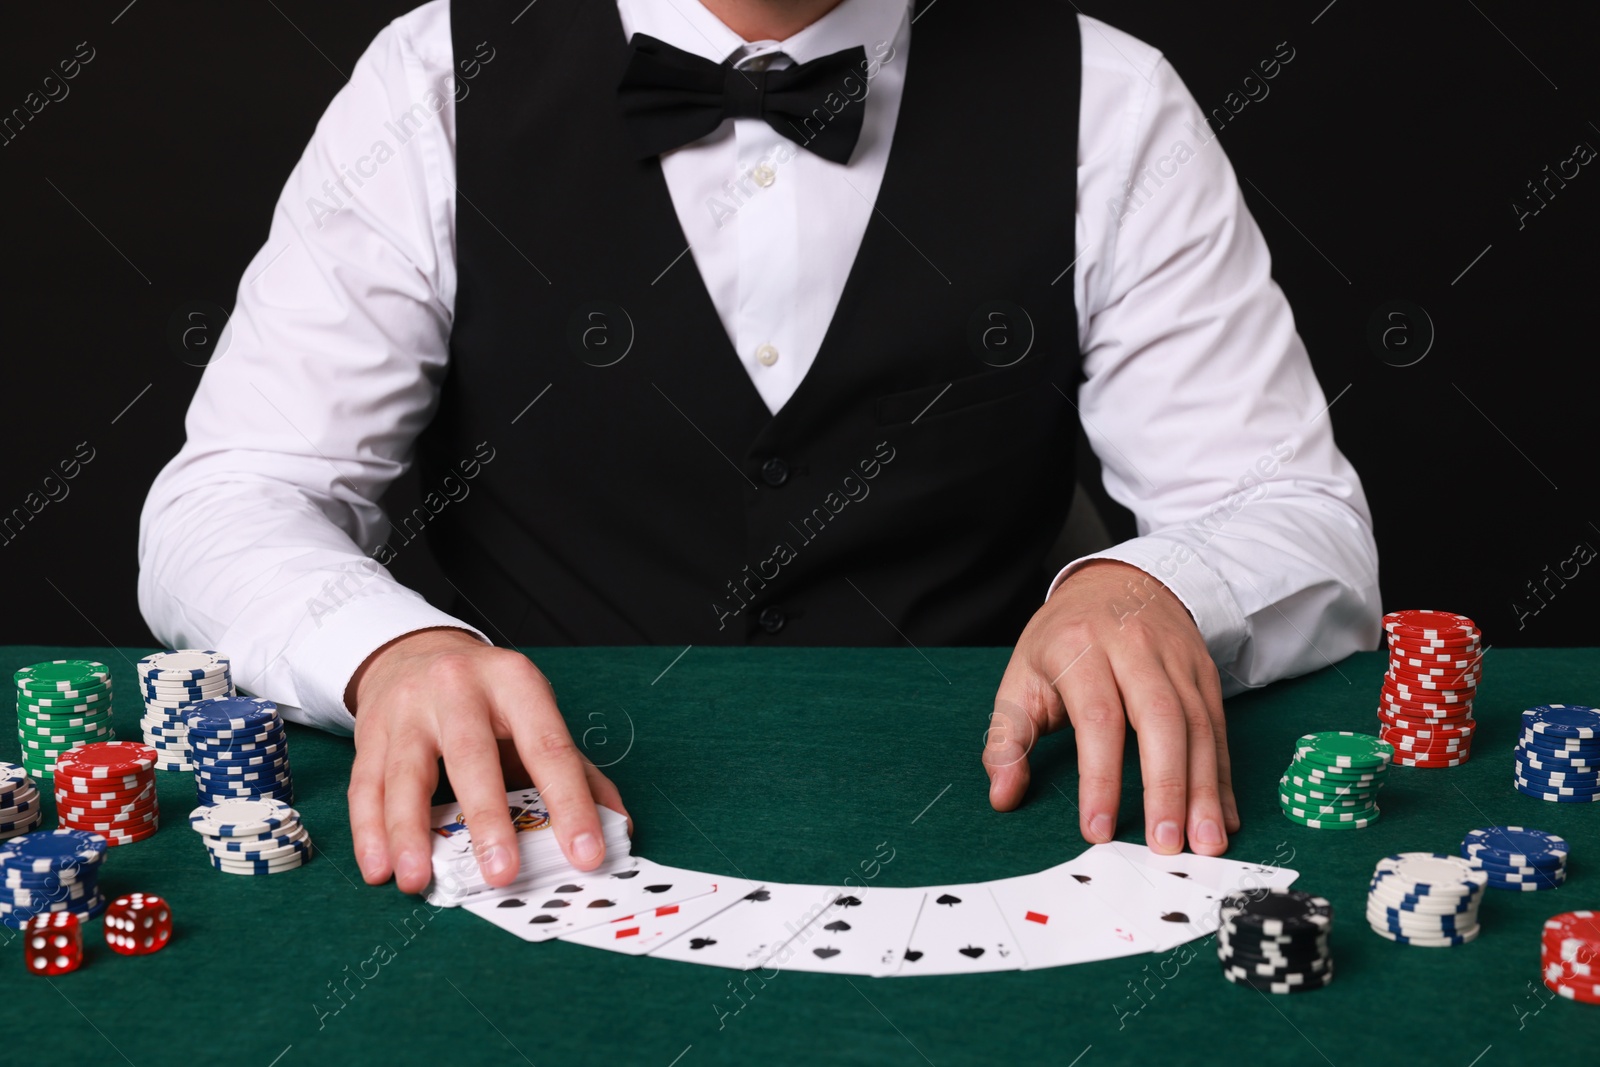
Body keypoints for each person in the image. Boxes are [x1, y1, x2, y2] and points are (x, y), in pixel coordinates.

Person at [139, 0, 1380, 896]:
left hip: (1000, 830)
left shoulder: (1107, 95)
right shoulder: (431, 78)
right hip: (528, 841)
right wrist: (388, 648)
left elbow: (1294, 512)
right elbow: (232, 496)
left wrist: (1150, 581)